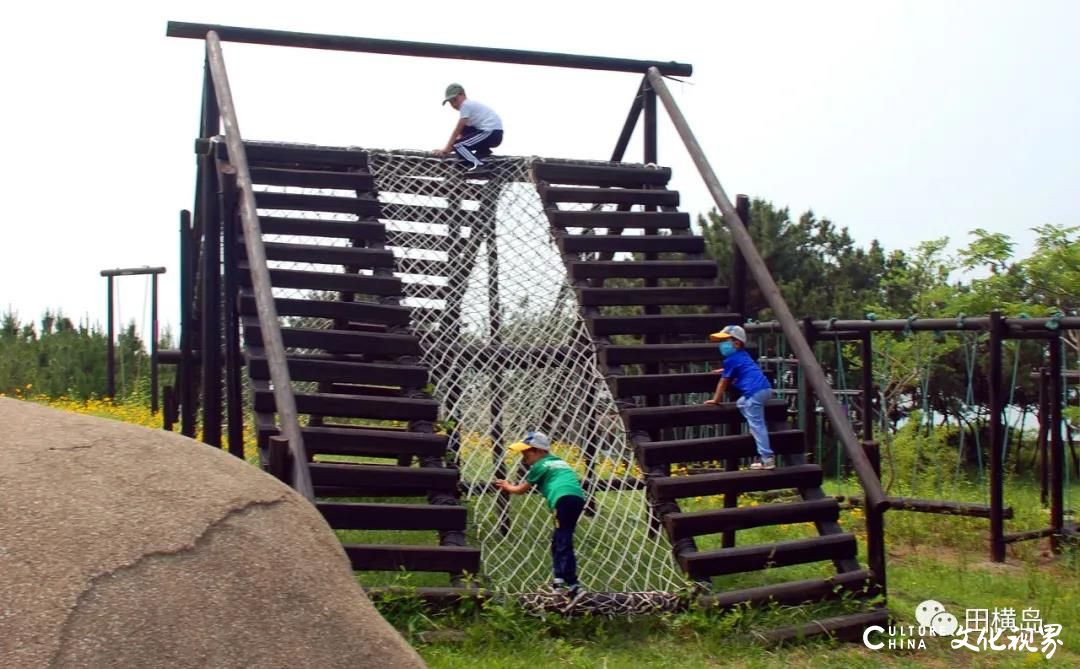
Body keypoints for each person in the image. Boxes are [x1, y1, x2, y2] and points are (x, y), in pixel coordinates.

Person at [494, 431, 587, 601]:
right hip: (576, 499)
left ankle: (572, 585)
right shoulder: (560, 462)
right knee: (559, 538)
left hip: (562, 499)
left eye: (527, 452)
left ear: (540, 451)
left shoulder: (541, 466)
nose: (524, 457)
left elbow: (521, 490)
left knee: (563, 540)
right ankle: (560, 579)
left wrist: (507, 486)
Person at [704, 325, 776, 470]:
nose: (722, 345)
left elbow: (723, 382)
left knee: (757, 425)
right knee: (742, 403)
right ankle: (754, 423)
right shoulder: (742, 355)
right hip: (765, 389)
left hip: (754, 392)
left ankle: (767, 458)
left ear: (736, 343)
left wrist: (716, 400)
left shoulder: (731, 360)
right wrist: (724, 370)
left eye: (725, 341)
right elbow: (740, 367)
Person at [434, 83, 503, 171]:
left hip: (491, 132)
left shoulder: (466, 105)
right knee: (461, 139)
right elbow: (462, 133)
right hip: (491, 134)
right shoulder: (471, 111)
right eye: (451, 102)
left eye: (455, 100)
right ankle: (483, 151)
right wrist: (447, 150)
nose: (454, 104)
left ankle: (478, 165)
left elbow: (458, 129)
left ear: (463, 94)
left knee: (458, 145)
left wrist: (446, 149)